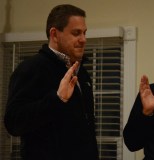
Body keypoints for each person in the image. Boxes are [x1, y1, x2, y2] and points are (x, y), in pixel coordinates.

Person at [4, 4, 99, 160]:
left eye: (84, 33)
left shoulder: (82, 73)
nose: (83, 39)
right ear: (54, 34)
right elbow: (14, 122)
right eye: (76, 33)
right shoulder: (31, 68)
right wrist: (57, 99)